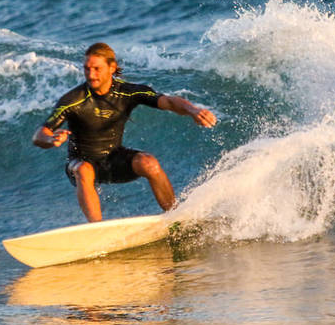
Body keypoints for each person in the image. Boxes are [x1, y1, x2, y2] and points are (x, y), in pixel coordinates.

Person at [32, 42, 217, 222]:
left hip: (113, 159)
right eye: (87, 69)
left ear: (112, 68)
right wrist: (50, 139)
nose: (91, 74)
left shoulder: (127, 92)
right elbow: (39, 134)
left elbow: (167, 101)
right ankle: (96, 228)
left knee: (149, 163)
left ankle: (176, 217)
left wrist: (193, 110)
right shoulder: (73, 100)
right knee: (84, 169)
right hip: (79, 163)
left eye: (96, 68)